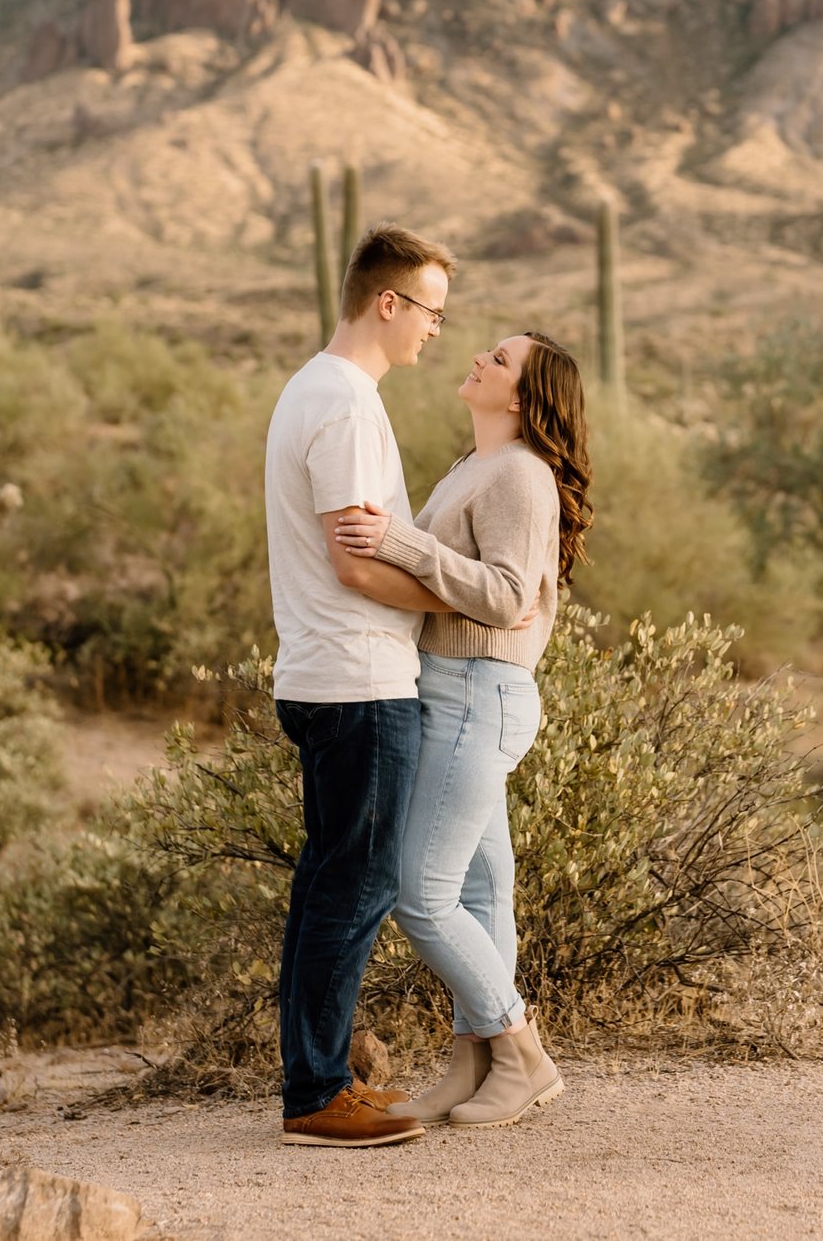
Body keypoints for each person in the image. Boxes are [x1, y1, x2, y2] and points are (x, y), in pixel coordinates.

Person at [333, 330, 592, 1128]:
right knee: (482, 889)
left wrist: (398, 539)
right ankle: (473, 1063)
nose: (478, 358)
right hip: (454, 690)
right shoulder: (472, 468)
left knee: (423, 893)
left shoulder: (520, 473)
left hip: (481, 692)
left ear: (520, 398)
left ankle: (521, 1052)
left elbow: (510, 596)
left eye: (500, 359)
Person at [262, 224, 457, 1149]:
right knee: (358, 883)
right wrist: (457, 597)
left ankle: (315, 1081)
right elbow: (355, 560)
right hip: (357, 678)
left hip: (328, 673)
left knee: (328, 881)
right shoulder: (340, 402)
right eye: (430, 312)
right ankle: (316, 1096)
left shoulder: (322, 389)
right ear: (388, 302)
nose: (434, 332)